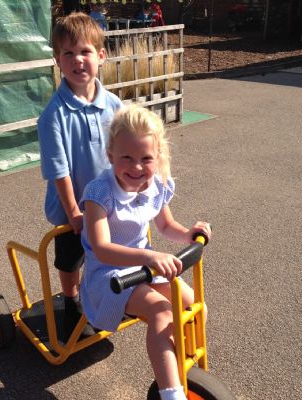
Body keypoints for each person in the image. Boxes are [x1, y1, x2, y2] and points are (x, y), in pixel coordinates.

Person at [79, 104, 211, 400]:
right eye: (126, 157)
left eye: (146, 159)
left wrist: (188, 233)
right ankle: (171, 393)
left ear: (158, 157)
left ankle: (180, 368)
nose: (137, 167)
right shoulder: (99, 193)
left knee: (193, 305)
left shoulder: (156, 185)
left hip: (143, 269)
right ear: (110, 155)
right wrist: (150, 257)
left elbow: (166, 225)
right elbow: (102, 249)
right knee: (161, 311)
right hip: (109, 276)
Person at [37, 12, 123, 339]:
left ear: (100, 56)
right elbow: (58, 170)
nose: (78, 60)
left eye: (85, 51)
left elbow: (124, 151)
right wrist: (74, 212)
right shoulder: (53, 115)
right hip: (70, 208)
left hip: (107, 203)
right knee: (70, 259)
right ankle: (71, 300)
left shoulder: (114, 105)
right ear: (58, 60)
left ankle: (102, 292)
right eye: (68, 53)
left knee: (107, 252)